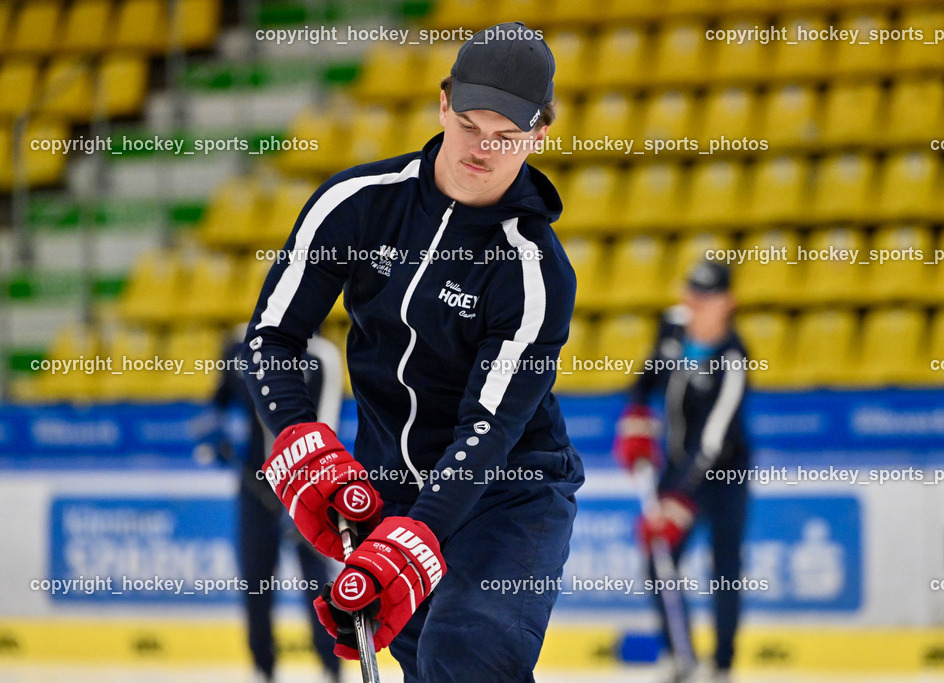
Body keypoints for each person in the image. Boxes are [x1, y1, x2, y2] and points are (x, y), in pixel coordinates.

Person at [240, 22, 584, 682]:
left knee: (465, 651)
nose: (483, 147)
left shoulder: (534, 270)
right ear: (442, 102)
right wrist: (299, 435)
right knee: (429, 665)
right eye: (470, 123)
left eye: (507, 135)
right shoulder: (356, 204)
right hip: (388, 487)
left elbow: (488, 429)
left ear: (540, 135)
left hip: (508, 494)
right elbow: (272, 338)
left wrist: (416, 534)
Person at [614, 260, 751, 683]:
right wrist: (637, 419)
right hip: (676, 463)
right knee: (659, 558)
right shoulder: (672, 326)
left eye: (706, 296)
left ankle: (722, 664)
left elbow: (712, 441)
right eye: (691, 292)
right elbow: (646, 379)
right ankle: (679, 655)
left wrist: (678, 499)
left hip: (722, 474)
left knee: (724, 566)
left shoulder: (733, 358)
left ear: (727, 303)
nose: (695, 303)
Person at [199, 331, 343, 683]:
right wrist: (214, 438)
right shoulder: (238, 347)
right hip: (254, 486)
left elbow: (324, 426)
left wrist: (308, 491)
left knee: (317, 581)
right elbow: (215, 405)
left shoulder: (322, 355)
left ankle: (331, 668)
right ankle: (263, 669)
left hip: (307, 487)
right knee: (256, 578)